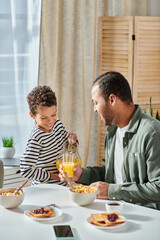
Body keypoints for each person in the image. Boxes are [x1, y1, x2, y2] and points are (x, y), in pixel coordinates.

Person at [59, 71, 160, 210]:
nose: (95, 109)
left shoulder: (152, 132)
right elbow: (113, 174)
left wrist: (112, 191)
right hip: (115, 210)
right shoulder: (112, 132)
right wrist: (82, 174)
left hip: (145, 216)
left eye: (96, 102)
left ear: (112, 100)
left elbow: (158, 187)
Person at [20, 85, 77, 185]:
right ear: (32, 115)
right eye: (43, 118)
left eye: (53, 115)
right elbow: (25, 170)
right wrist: (53, 176)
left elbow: (67, 148)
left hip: (63, 186)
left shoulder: (58, 124)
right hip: (45, 189)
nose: (50, 121)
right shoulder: (37, 138)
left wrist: (73, 141)